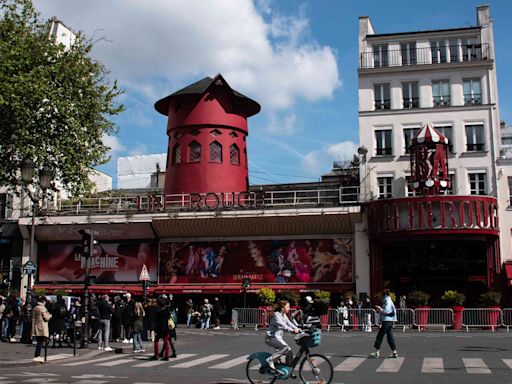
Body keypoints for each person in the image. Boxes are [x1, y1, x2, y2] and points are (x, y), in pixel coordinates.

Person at [265, 300, 300, 371]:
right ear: (282, 308)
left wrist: (298, 328)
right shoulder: (276, 315)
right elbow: (283, 326)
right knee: (284, 348)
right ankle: (270, 360)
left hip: (278, 338)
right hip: (271, 338)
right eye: (288, 306)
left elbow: (289, 323)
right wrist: (292, 330)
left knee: (289, 352)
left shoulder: (284, 315)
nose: (289, 308)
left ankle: (288, 370)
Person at [369, 289, 398, 358]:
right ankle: (394, 352)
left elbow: (386, 311)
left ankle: (377, 352)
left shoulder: (387, 301)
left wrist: (380, 309)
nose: (381, 297)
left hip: (387, 321)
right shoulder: (388, 300)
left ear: (385, 295)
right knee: (390, 337)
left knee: (380, 336)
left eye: (382, 295)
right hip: (389, 321)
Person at [32, 296, 52, 363]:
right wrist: (50, 315)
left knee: (39, 342)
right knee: (40, 342)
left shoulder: (35, 308)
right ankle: (37, 356)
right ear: (43, 301)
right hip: (42, 326)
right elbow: (46, 318)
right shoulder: (43, 308)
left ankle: (37, 355)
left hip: (37, 325)